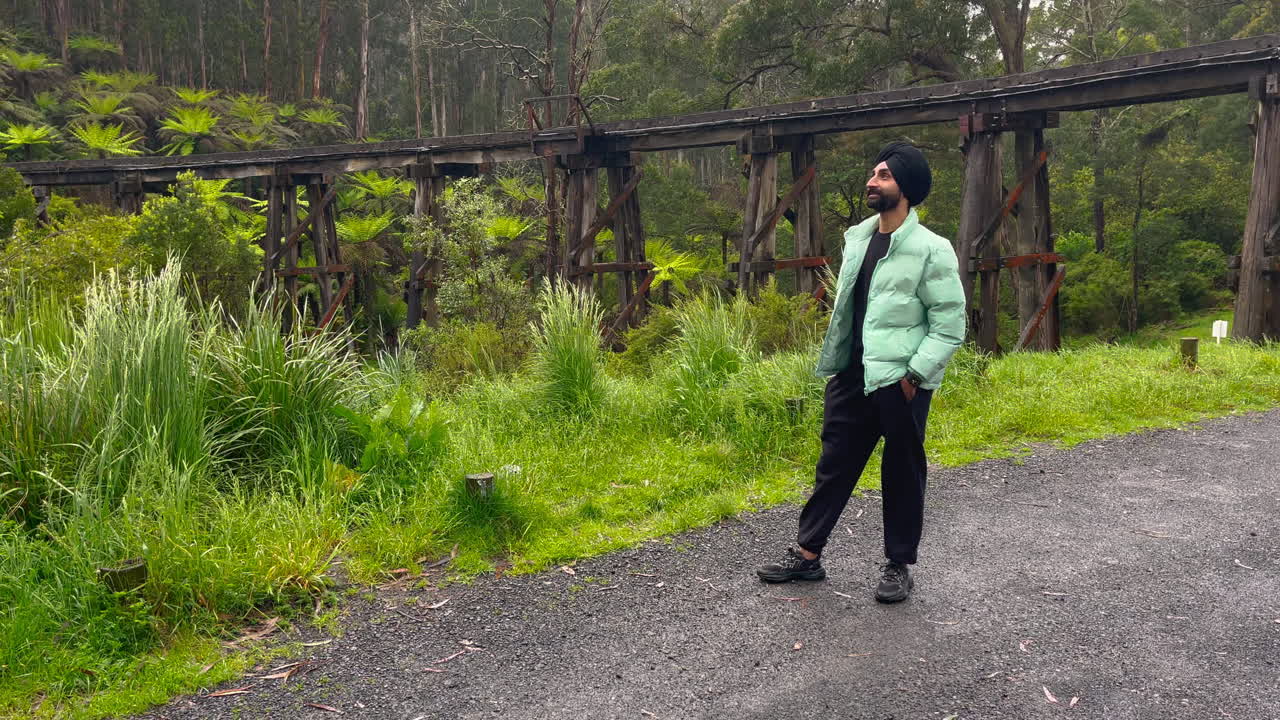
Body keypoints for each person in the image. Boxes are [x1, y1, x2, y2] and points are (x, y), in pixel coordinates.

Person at [756, 142, 965, 603]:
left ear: (905, 188)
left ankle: (898, 565)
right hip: (852, 373)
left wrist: (914, 377)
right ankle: (808, 555)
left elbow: (949, 324)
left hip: (899, 379)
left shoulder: (932, 249)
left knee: (902, 469)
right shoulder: (858, 239)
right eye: (874, 173)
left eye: (884, 175)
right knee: (834, 464)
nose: (872, 181)